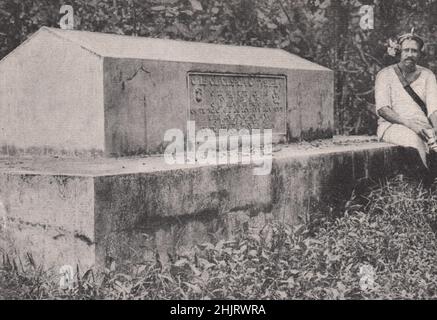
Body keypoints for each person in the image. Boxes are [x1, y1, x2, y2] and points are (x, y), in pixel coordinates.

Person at [375, 30, 437, 181]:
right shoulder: (385, 75)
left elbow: (433, 108)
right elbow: (383, 109)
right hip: (394, 126)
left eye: (414, 51)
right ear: (399, 52)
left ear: (420, 54)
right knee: (413, 141)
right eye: (406, 50)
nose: (410, 54)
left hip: (424, 128)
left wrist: (435, 128)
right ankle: (425, 187)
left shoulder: (428, 75)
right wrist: (411, 125)